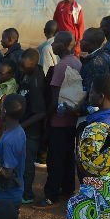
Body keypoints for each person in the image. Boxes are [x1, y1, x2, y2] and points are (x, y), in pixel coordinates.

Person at [35, 32, 80, 207]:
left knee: (54, 159)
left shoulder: (61, 66)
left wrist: (47, 117)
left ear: (64, 44)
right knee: (68, 157)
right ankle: (67, 190)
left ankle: (51, 194)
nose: (52, 46)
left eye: (56, 43)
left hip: (58, 120)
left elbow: (55, 97)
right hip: (70, 118)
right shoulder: (76, 61)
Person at [16, 48, 46, 204]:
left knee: (27, 164)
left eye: (23, 65)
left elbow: (40, 112)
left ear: (33, 63)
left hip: (31, 131)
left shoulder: (36, 82)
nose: (21, 68)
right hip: (24, 128)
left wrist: (22, 126)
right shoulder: (27, 75)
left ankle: (27, 194)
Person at [0, 94, 27, 206]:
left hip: (5, 197)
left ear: (4, 111)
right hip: (11, 194)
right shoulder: (18, 130)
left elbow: (7, 173)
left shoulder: (10, 140)